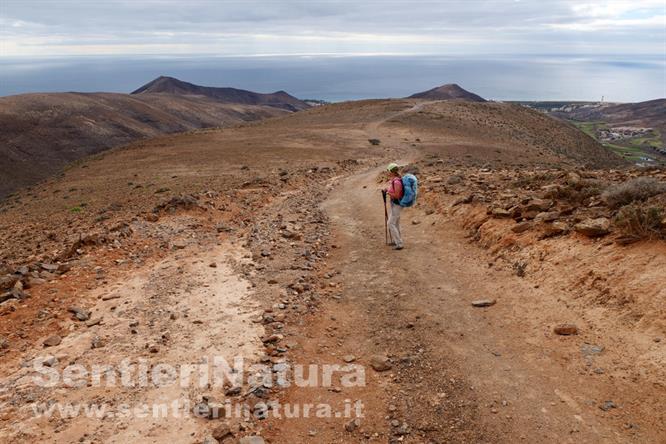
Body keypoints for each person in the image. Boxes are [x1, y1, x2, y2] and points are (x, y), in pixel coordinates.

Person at [385, 163, 404, 250]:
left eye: (388, 170)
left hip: (397, 204)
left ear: (392, 171)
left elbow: (397, 195)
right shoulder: (395, 180)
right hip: (395, 204)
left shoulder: (396, 181)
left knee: (390, 223)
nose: (387, 172)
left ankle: (399, 244)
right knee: (396, 223)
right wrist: (387, 190)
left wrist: (388, 193)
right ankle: (398, 241)